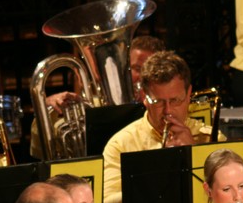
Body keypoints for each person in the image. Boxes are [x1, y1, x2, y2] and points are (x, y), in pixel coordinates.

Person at [103, 51, 215, 203]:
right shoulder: (121, 144)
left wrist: (194, 154)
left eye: (175, 100)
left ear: (189, 94)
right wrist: (156, 170)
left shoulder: (211, 138)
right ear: (144, 97)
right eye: (158, 102)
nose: (168, 111)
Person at [30, 35, 166, 160]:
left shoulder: (168, 109)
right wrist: (47, 112)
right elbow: (40, 151)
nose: (142, 77)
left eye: (149, 70)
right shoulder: (92, 107)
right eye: (136, 68)